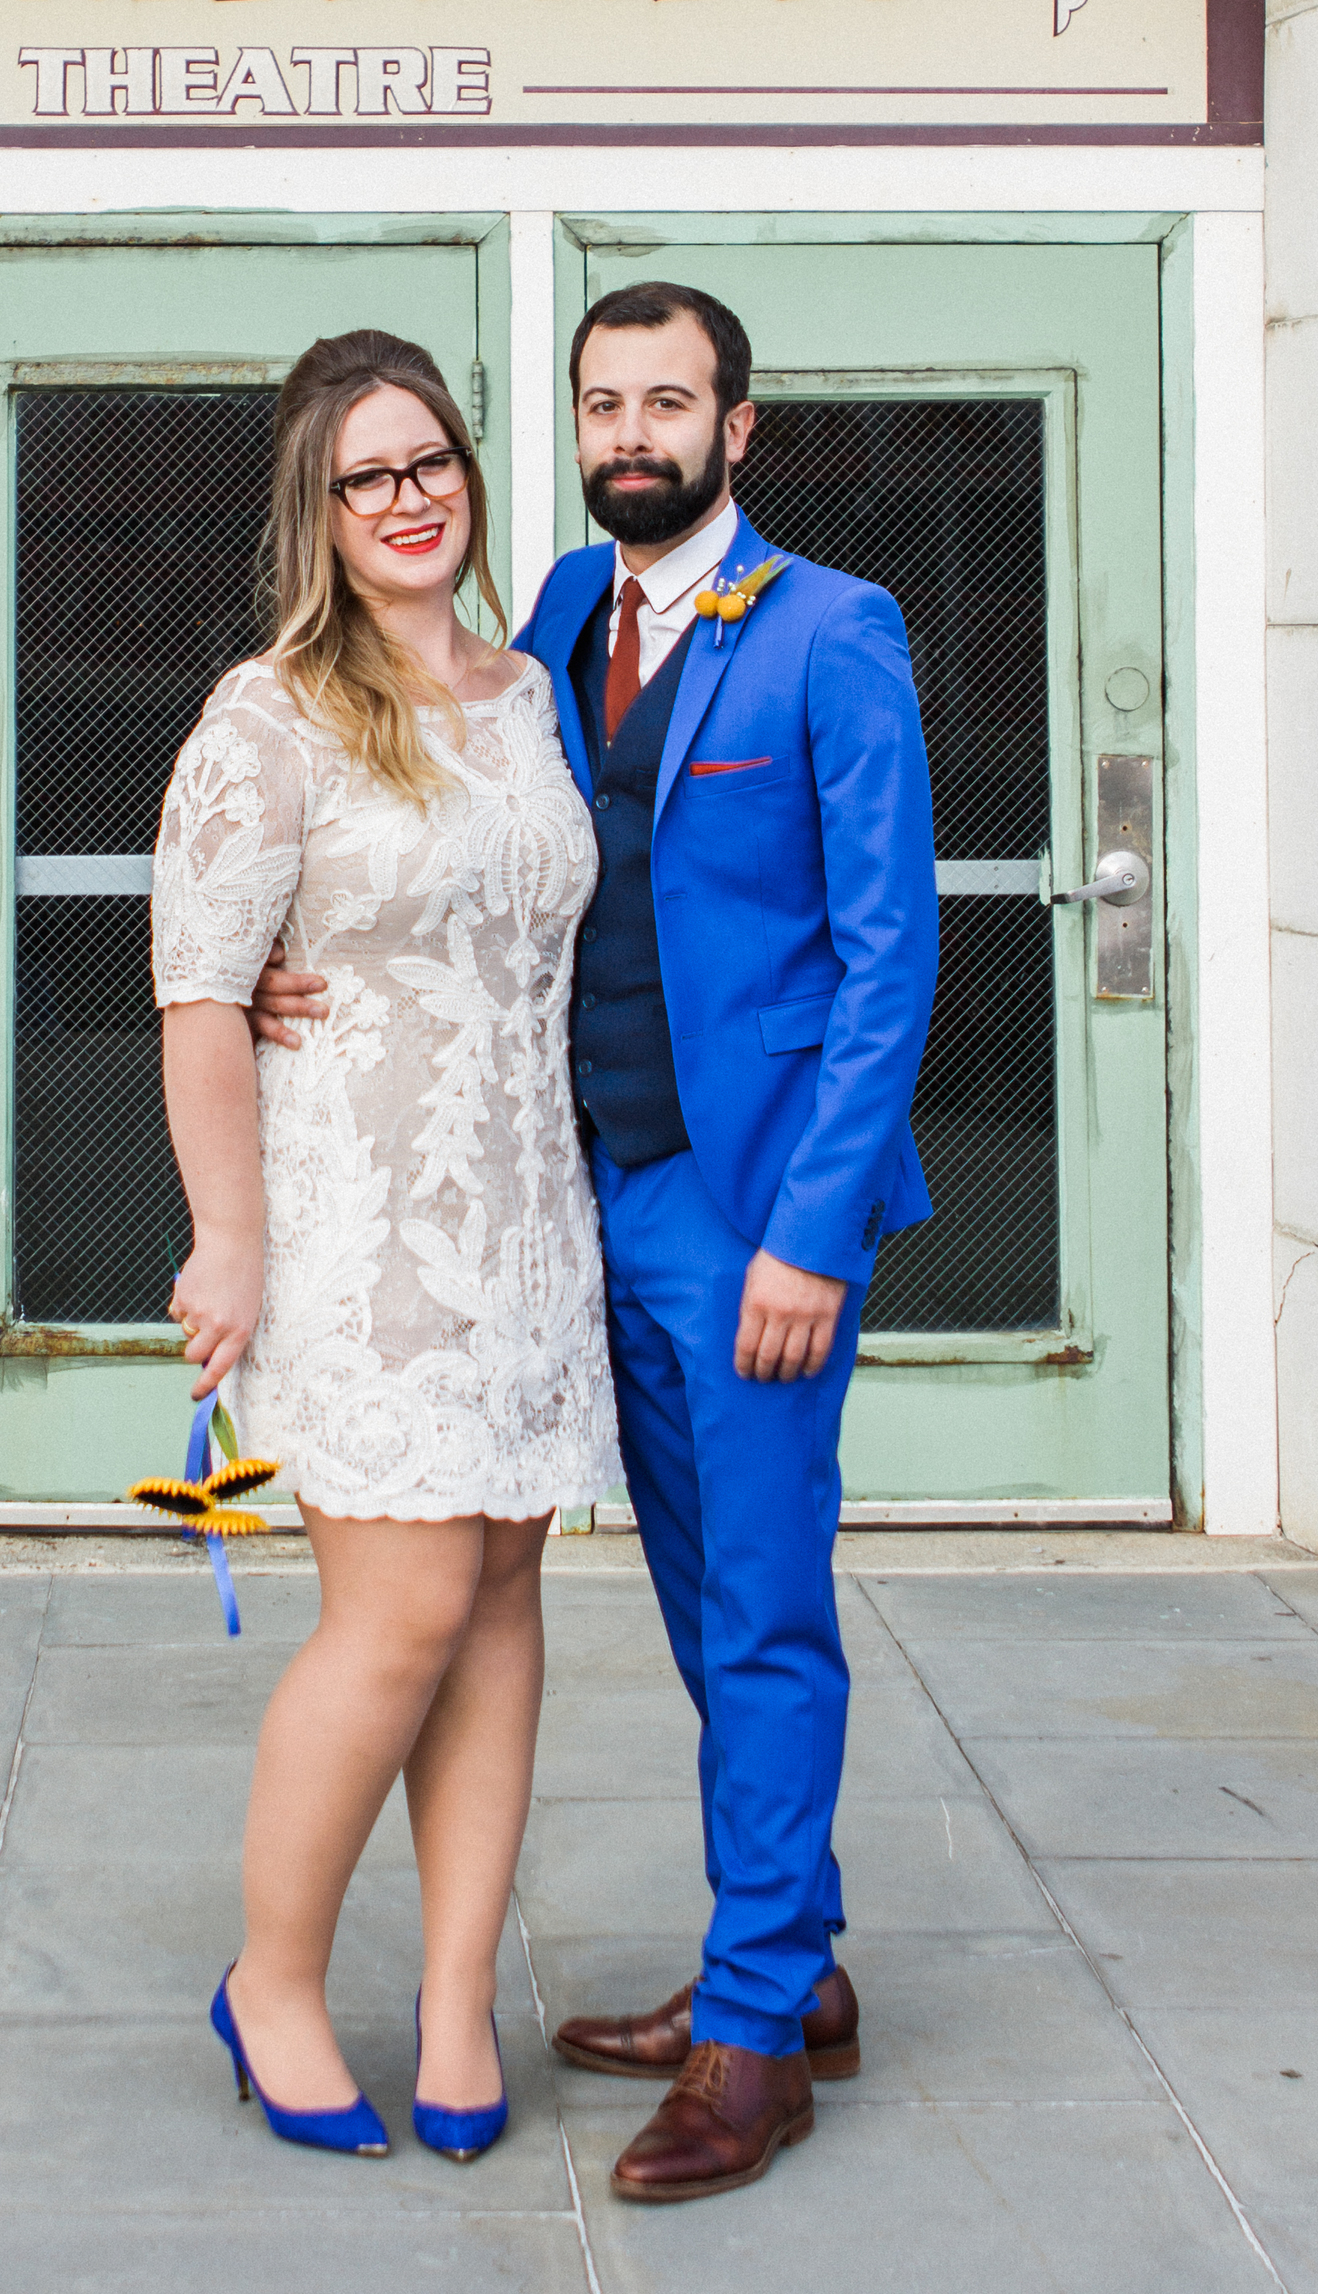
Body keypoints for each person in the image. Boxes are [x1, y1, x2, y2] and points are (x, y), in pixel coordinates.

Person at [256, 279, 938, 2202]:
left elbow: (894, 957)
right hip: (581, 1198)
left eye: (672, 400)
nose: (631, 428)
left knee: (766, 1607)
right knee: (697, 1593)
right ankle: (785, 1964)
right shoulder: (549, 617)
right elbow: (464, 865)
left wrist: (811, 1230)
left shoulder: (833, 630)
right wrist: (307, 979)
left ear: (743, 427)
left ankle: (753, 2042)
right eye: (600, 399)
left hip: (752, 1216)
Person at [152, 326, 618, 2165]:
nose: (410, 497)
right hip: (355, 1228)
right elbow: (200, 995)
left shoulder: (531, 689)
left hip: (526, 1220)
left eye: (433, 462)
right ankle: (273, 1978)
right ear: (319, 512)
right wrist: (226, 1242)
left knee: (502, 1604)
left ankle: (450, 2003)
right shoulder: (265, 716)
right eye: (370, 476)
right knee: (400, 1612)